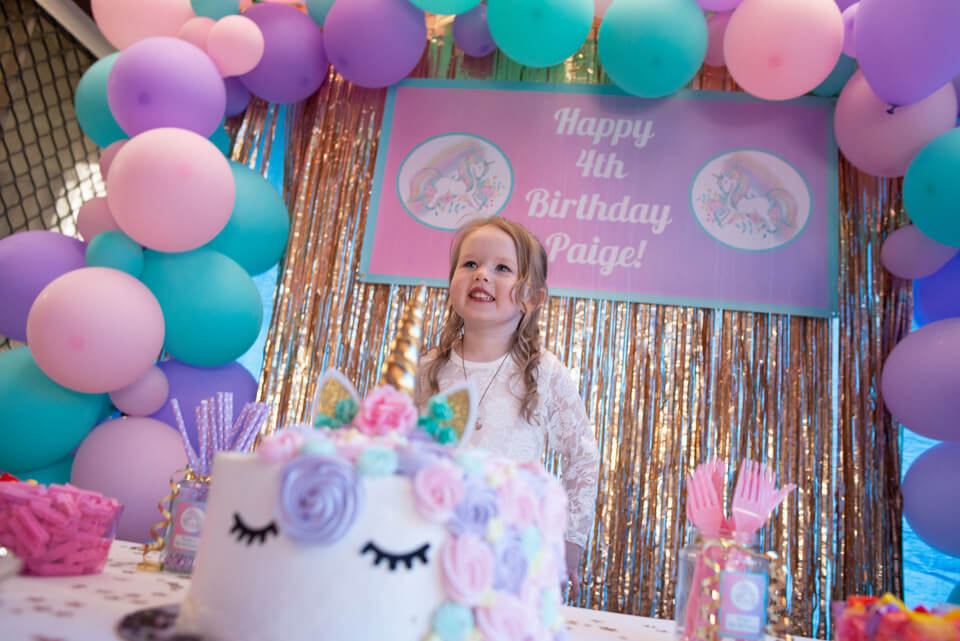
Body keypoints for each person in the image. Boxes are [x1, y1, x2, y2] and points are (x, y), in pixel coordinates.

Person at [416, 216, 600, 600]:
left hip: (509, 548)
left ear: (533, 298)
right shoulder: (428, 369)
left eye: (502, 268)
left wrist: (569, 542)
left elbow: (583, 458)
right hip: (430, 541)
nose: (482, 275)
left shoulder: (543, 372)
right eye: (470, 264)